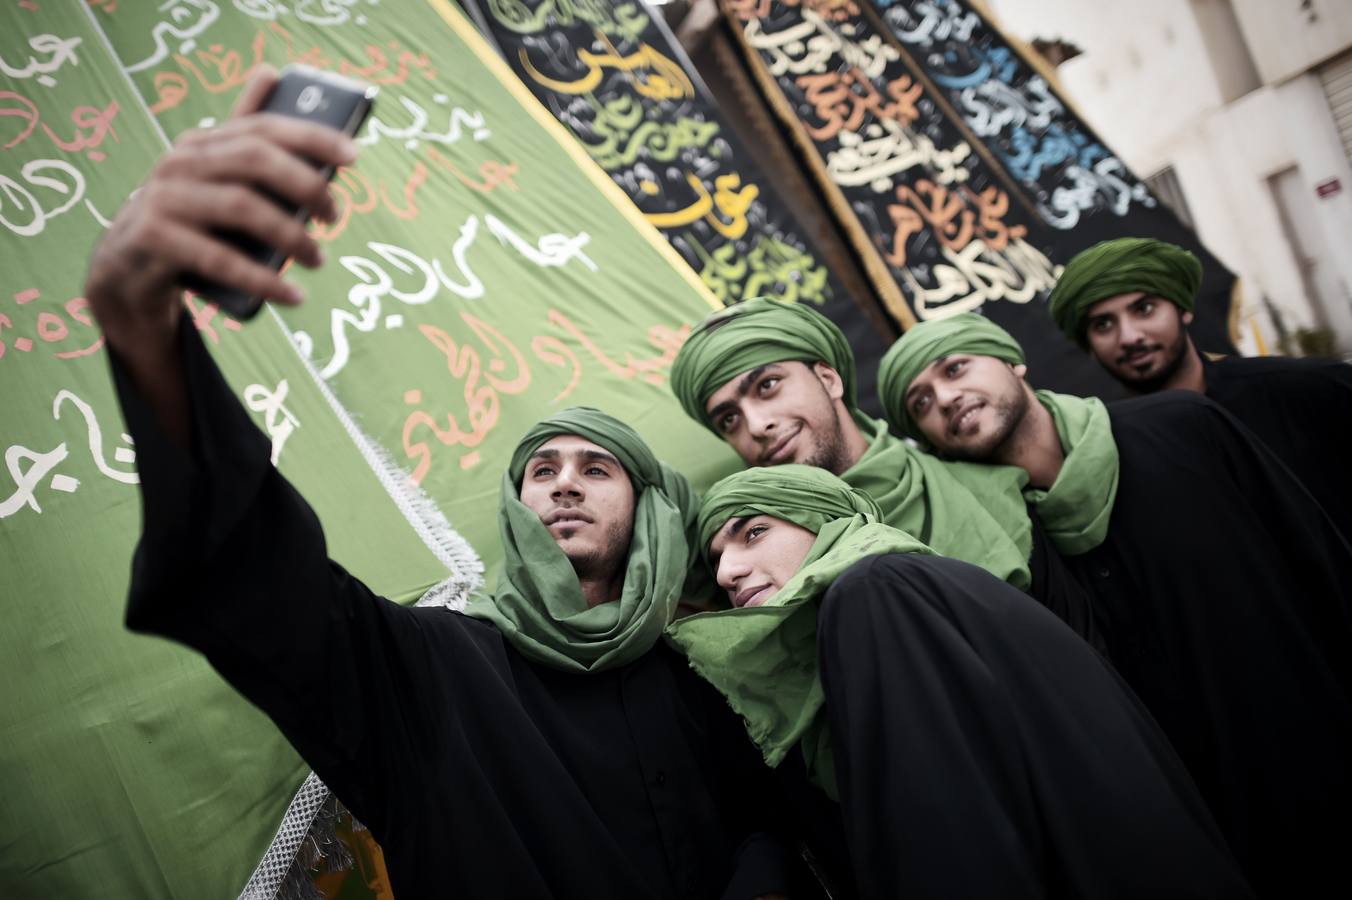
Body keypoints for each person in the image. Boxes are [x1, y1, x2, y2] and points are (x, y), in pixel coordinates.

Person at [85, 67, 805, 899]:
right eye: (541, 472)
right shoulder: (430, 674)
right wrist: (143, 327)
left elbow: (772, 826)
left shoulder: (708, 671)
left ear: (647, 513)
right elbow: (255, 578)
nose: (564, 485)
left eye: (596, 468)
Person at [877, 313, 1352, 899]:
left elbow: (1322, 562)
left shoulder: (1184, 427)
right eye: (920, 402)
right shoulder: (1003, 554)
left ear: (1013, 363)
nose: (946, 398)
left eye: (955, 369)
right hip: (1216, 841)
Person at [667, 464, 1254, 899]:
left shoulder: (876, 591)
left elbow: (950, 826)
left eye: (753, 533)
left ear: (829, 523)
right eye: (717, 558)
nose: (728, 570)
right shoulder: (910, 585)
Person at [670, 299, 1103, 649]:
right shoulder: (758, 568)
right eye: (728, 420)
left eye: (767, 386)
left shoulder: (991, 489)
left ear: (828, 378)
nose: (755, 425)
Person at [1048, 236, 1352, 537]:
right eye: (1103, 325)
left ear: (1183, 309)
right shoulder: (1109, 458)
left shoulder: (1306, 389)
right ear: (1088, 345)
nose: (1129, 336)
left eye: (1145, 309)